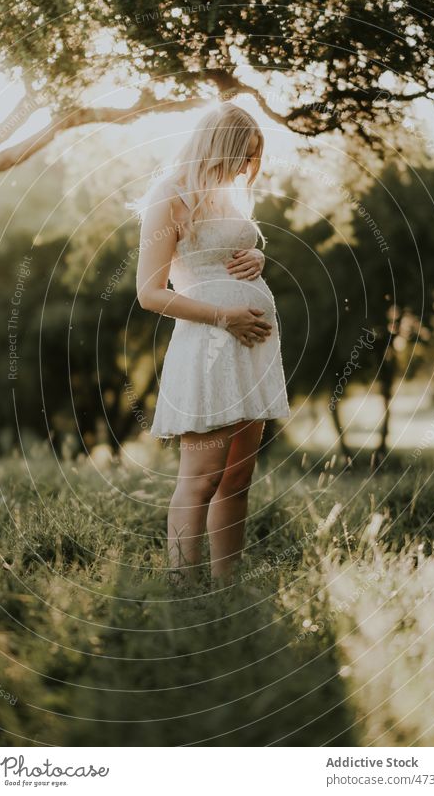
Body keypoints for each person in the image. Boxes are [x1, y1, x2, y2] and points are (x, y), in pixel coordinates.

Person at [135, 102, 289, 585]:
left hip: (252, 347)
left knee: (237, 480)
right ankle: (184, 589)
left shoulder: (228, 196)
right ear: (217, 144)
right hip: (207, 348)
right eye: (242, 154)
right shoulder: (169, 196)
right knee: (199, 479)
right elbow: (149, 293)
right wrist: (226, 316)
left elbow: (226, 255)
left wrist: (257, 256)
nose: (247, 166)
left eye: (253, 157)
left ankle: (227, 588)